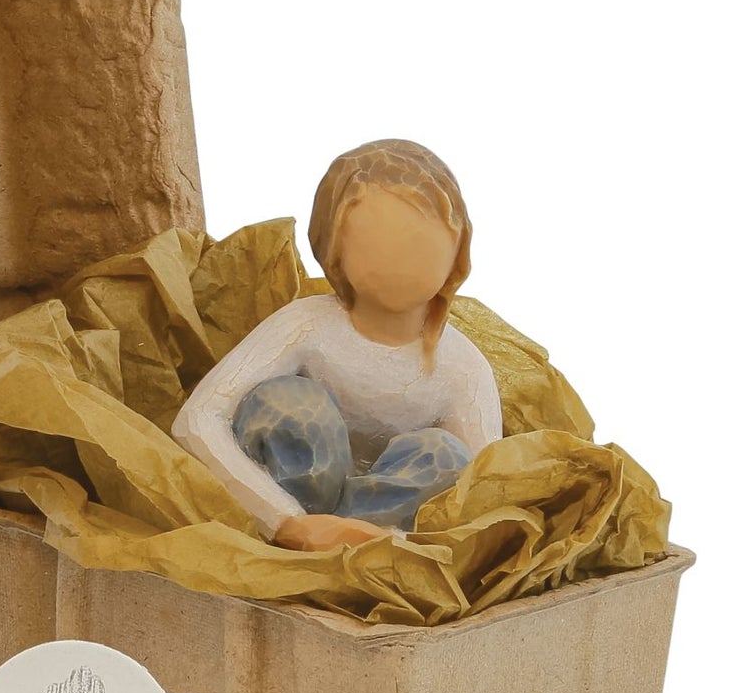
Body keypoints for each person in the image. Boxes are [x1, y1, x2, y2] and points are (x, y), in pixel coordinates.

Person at [173, 140, 502, 552]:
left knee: (445, 458)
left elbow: (487, 491)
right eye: (376, 241)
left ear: (458, 250)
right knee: (289, 405)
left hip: (386, 534)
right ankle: (316, 539)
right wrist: (285, 520)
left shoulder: (462, 367)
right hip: (286, 510)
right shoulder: (306, 325)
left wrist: (390, 541)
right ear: (333, 249)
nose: (398, 260)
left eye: (419, 242)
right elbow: (199, 419)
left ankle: (358, 543)